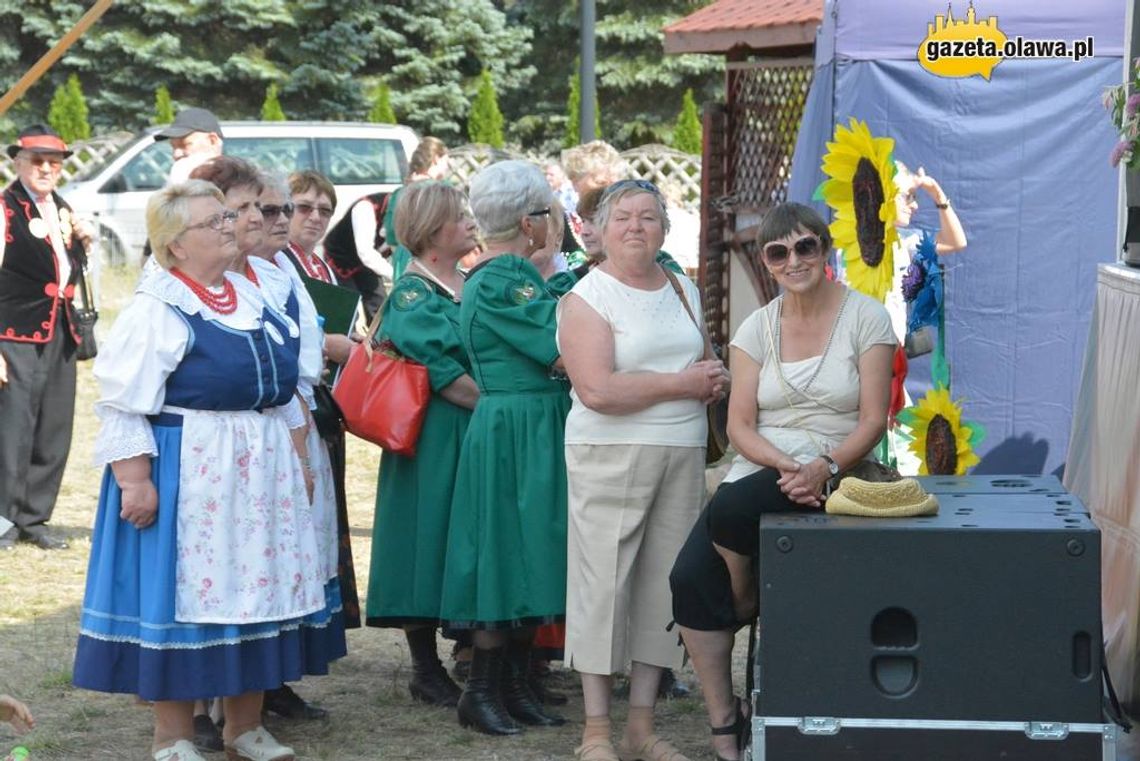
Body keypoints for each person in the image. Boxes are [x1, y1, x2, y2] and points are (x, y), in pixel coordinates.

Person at [72, 180, 329, 761]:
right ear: (177, 245)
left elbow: (286, 390)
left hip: (260, 468)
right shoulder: (158, 307)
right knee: (189, 601)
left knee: (257, 591)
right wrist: (135, 481)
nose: (231, 226)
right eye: (215, 221)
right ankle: (174, 737)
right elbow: (122, 402)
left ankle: (246, 727)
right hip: (195, 469)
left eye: (228, 216)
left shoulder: (250, 293)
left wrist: (298, 457)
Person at [669, 203, 896, 761]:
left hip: (841, 467)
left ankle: (745, 599)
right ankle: (726, 718)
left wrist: (826, 465)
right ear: (768, 263)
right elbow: (738, 424)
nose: (794, 260)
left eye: (805, 247)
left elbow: (873, 419)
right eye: (779, 252)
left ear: (824, 248)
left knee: (729, 511)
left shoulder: (867, 317)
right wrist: (786, 465)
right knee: (687, 577)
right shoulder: (757, 326)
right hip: (768, 466)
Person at [556, 180, 728, 761]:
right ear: (598, 231)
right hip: (609, 451)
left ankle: (642, 726)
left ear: (664, 229)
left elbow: (698, 361)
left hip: (679, 450)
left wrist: (713, 379)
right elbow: (598, 389)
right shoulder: (586, 298)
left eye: (649, 217)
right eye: (623, 217)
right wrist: (683, 384)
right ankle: (596, 731)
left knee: (665, 584)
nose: (636, 226)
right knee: (602, 583)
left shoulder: (684, 289)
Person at [438, 160, 567, 735]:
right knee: (504, 551)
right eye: (546, 213)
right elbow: (558, 338)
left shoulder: (512, 274)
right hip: (517, 424)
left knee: (528, 549)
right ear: (529, 221)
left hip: (528, 420)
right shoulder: (501, 279)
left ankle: (513, 683)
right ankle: (483, 689)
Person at [364, 181, 480, 708]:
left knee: (462, 532)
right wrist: (503, 408)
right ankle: (424, 665)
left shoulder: (461, 281)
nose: (471, 222)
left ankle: (473, 652)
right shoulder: (414, 294)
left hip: (464, 429)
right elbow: (445, 374)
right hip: (432, 433)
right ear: (433, 231)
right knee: (424, 535)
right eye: (460, 216)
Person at [253, 171, 350, 721]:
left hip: (301, 416)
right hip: (262, 426)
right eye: (272, 210)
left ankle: (272, 681)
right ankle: (223, 692)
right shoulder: (247, 273)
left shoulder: (289, 265)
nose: (286, 220)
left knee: (294, 552)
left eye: (287, 210)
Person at [0, 124, 93, 551]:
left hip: (60, 330)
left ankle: (35, 518)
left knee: (54, 426)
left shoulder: (63, 208)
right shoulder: (5, 208)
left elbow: (69, 270)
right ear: (17, 162)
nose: (45, 169)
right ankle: (3, 518)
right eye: (36, 161)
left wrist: (84, 244)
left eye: (53, 162)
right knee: (12, 427)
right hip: (13, 333)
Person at [322, 137, 449, 318]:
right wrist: (398, 275)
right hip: (341, 257)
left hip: (367, 260)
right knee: (347, 305)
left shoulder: (396, 216)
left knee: (378, 302)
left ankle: (379, 342)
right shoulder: (366, 208)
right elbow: (366, 253)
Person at [154, 107, 225, 185]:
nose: (176, 155)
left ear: (212, 141)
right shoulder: (175, 183)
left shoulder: (234, 187)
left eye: (185, 145)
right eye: (173, 147)